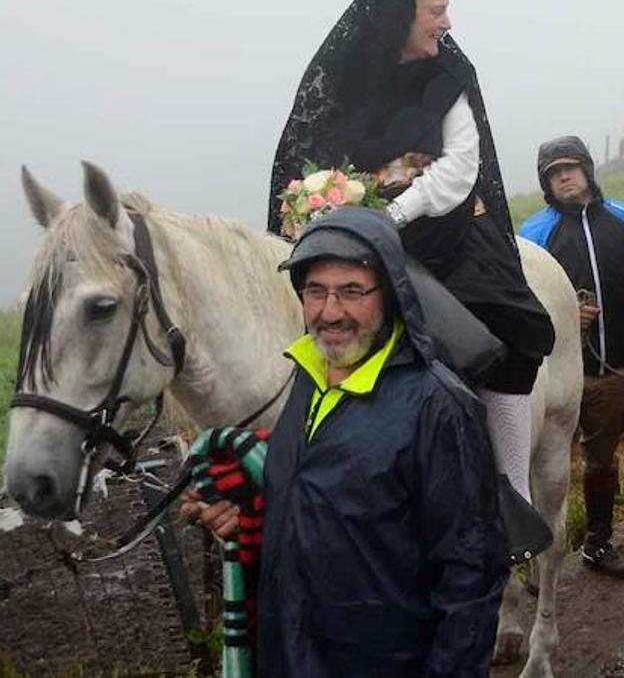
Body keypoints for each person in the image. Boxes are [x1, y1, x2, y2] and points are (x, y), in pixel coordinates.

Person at [266, 0, 555, 505]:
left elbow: (457, 168)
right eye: (437, 10)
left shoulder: (447, 76)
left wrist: (389, 212)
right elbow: (314, 162)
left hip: (450, 240)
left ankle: (511, 495)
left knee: (511, 329)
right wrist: (343, 199)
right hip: (358, 241)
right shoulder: (339, 77)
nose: (446, 22)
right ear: (397, 14)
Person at [184, 208, 509, 674]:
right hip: (290, 654)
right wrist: (250, 518)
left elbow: (470, 574)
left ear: (391, 295)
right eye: (315, 292)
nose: (330, 312)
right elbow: (325, 502)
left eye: (351, 292)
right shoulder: (305, 381)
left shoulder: (436, 407)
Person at [519, 136, 624, 579]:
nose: (564, 176)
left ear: (588, 170)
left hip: (610, 366)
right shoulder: (533, 235)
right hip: (553, 375)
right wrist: (561, 315)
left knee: (601, 459)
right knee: (532, 466)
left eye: (570, 168)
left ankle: (598, 542)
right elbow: (519, 304)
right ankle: (531, 560)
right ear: (546, 183)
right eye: (554, 172)